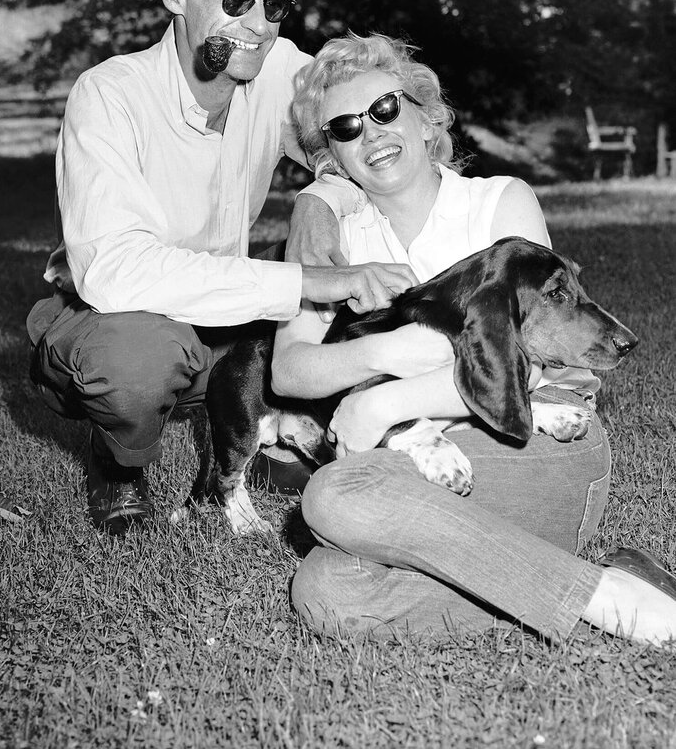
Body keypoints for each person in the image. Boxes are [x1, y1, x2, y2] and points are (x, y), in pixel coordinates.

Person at [272, 32, 676, 646]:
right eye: (345, 128)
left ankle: (608, 602)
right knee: (326, 593)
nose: (372, 133)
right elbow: (289, 372)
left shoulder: (497, 202)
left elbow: (528, 366)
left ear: (425, 115)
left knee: (332, 494)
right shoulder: (339, 237)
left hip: (537, 439)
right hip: (420, 473)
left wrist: (381, 400)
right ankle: (590, 580)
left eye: (385, 109)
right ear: (331, 155)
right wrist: (384, 352)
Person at [25, 0, 414, 536]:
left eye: (274, 5)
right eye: (236, 0)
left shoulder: (278, 68)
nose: (257, 26)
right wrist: (303, 281)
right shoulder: (108, 95)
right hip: (115, 313)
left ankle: (270, 439)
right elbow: (117, 271)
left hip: (226, 319)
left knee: (337, 326)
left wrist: (320, 197)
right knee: (137, 363)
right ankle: (119, 458)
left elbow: (363, 134)